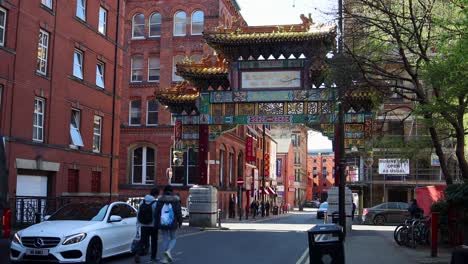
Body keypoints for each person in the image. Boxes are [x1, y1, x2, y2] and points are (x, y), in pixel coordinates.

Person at [155, 185, 183, 264]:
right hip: (172, 222)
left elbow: (157, 212)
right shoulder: (175, 200)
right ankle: (168, 251)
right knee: (173, 238)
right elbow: (178, 212)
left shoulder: (160, 200)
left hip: (163, 222)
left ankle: (164, 258)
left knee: (165, 239)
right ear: (172, 191)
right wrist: (180, 222)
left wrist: (157, 223)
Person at [135, 187, 159, 263]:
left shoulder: (142, 202)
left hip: (143, 225)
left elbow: (138, 213)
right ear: (155, 195)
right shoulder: (155, 203)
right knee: (154, 241)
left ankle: (137, 253)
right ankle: (153, 257)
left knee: (142, 241)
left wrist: (138, 223)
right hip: (153, 226)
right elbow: (157, 215)